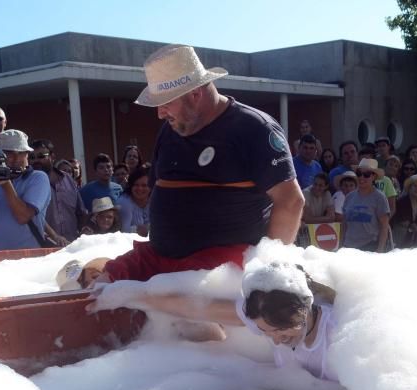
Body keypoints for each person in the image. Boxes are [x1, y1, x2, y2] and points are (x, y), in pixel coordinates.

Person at [97, 44, 302, 284]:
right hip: (160, 257)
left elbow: (291, 201)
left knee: (167, 308)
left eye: (165, 103)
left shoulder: (254, 129)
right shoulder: (170, 129)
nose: (160, 114)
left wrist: (269, 274)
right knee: (96, 288)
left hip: (220, 268)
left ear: (195, 95)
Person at [91, 260, 339, 381]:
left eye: (284, 334)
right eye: (264, 332)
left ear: (305, 312)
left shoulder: (337, 336)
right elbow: (198, 309)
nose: (274, 339)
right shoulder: (266, 313)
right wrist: (132, 294)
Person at [0, 129, 52, 250]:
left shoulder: (38, 178)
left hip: (29, 259)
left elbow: (23, 216)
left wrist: (6, 183)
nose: (16, 159)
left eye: (21, 153)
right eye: (9, 153)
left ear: (27, 154)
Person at [30, 139, 87, 243]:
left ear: (52, 157)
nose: (36, 160)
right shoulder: (29, 183)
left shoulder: (67, 179)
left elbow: (80, 212)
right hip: (43, 246)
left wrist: (84, 233)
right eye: (32, 157)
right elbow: (32, 217)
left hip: (72, 245)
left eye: (41, 156)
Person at [337, 157, 390, 252]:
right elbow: (344, 224)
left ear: (374, 177)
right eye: (359, 173)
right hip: (348, 246)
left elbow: (384, 226)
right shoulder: (349, 197)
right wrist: (341, 245)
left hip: (369, 246)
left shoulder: (380, 197)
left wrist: (380, 250)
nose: (361, 177)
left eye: (366, 174)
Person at [391, 174, 417, 248]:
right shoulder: (400, 202)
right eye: (414, 186)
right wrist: (409, 224)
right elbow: (395, 219)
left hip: (413, 239)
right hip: (399, 237)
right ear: (409, 188)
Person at [301, 172, 335, 241]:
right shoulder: (305, 193)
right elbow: (307, 219)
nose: (317, 187)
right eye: (315, 184)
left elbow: (332, 218)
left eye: (320, 185)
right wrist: (326, 218)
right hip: (304, 230)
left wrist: (312, 219)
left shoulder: (327, 194)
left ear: (326, 186)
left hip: (317, 229)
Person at [117, 166, 151, 235]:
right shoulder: (124, 202)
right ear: (130, 186)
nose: (140, 189)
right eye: (136, 185)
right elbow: (123, 231)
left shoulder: (155, 200)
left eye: (144, 185)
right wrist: (137, 229)